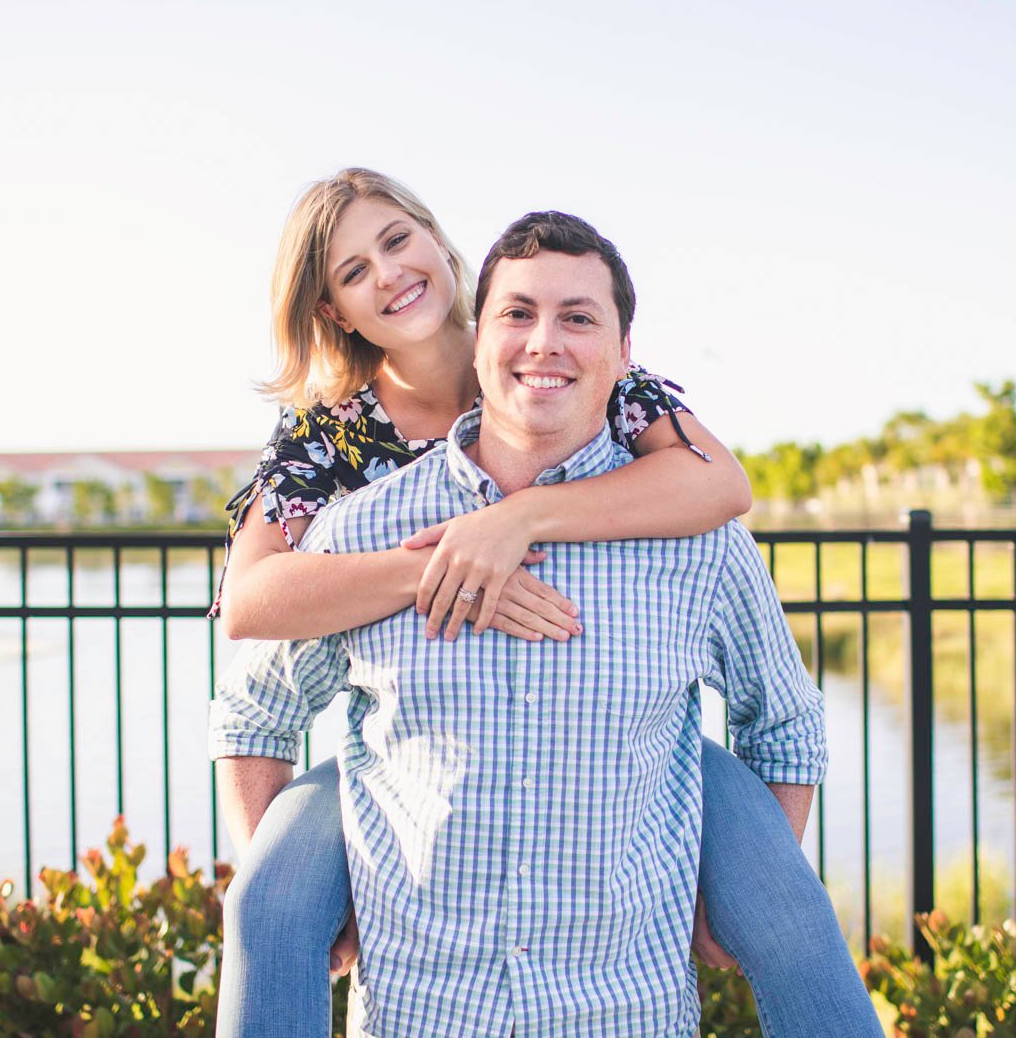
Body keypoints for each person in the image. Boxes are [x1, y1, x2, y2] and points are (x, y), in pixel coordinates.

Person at [211, 197, 880, 1035]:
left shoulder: (677, 506)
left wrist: (517, 521)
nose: (543, 343)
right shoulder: (335, 468)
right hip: (420, 1000)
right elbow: (252, 640)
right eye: (519, 315)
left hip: (626, 1004)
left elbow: (729, 514)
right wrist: (431, 568)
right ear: (333, 309)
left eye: (577, 319)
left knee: (782, 902)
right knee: (266, 901)